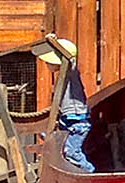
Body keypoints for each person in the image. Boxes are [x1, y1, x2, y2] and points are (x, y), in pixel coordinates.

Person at [33, 35, 93, 171]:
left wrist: (54, 43)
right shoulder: (62, 77)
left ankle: (89, 173)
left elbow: (70, 59)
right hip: (67, 120)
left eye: (50, 61)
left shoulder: (71, 73)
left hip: (77, 121)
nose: (47, 64)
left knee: (72, 152)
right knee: (55, 144)